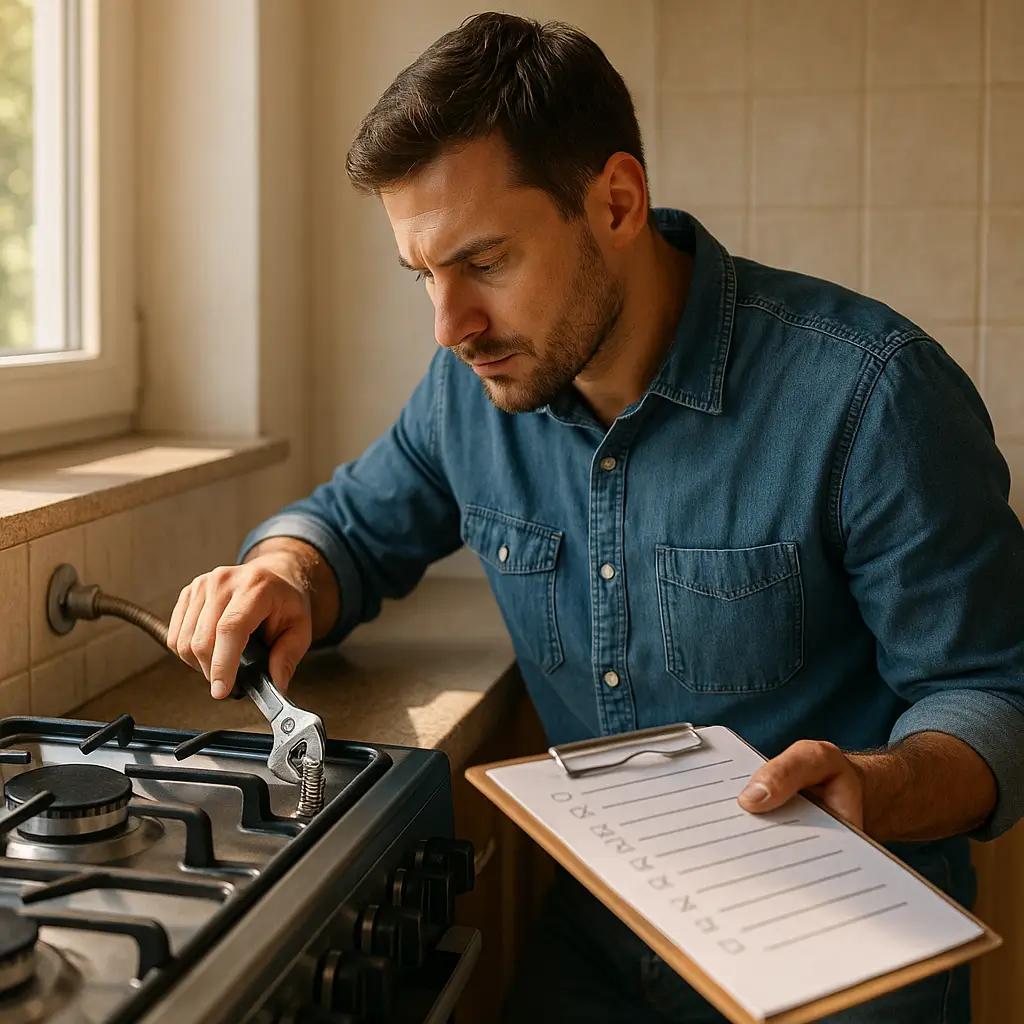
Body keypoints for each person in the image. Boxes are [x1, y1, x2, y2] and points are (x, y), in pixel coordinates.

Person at [166, 12, 1024, 1024]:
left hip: (840, 962)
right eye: (423, 277)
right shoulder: (469, 392)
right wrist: (283, 566)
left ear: (615, 200)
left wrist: (873, 787)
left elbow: (991, 696)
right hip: (602, 946)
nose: (450, 327)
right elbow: (347, 527)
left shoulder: (871, 396)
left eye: (484, 263)